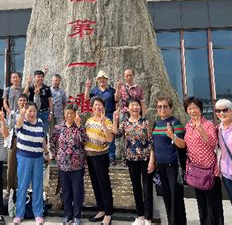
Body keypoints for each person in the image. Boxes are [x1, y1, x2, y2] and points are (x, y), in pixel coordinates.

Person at [180, 97, 224, 225]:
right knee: (201, 203)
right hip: (196, 171)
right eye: (189, 108)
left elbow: (213, 143)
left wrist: (201, 129)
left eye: (195, 108)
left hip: (210, 171)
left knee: (213, 203)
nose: (192, 111)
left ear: (200, 109)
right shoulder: (188, 126)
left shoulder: (208, 124)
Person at [112, 99, 155, 225]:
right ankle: (140, 216)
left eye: (136, 105)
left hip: (145, 159)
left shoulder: (146, 122)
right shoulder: (125, 123)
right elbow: (116, 134)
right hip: (131, 159)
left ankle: (148, 218)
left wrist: (152, 160)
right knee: (136, 188)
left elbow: (151, 142)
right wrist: (115, 119)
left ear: (140, 107)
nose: (135, 107)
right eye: (132, 105)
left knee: (147, 189)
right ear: (128, 108)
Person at [152, 96, 187, 225]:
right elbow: (153, 144)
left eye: (165, 106)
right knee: (167, 197)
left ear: (170, 108)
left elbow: (182, 144)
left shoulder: (175, 123)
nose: (162, 109)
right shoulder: (156, 123)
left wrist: (173, 136)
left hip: (173, 166)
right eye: (160, 107)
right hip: (161, 166)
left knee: (175, 198)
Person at [50, 105, 87, 225]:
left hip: (77, 164)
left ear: (75, 114)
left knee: (77, 191)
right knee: (66, 191)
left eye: (72, 113)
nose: (69, 115)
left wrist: (80, 126)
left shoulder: (79, 128)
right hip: (63, 164)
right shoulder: (58, 127)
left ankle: (77, 216)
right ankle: (67, 215)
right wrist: (56, 154)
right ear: (64, 114)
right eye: (68, 113)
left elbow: (85, 141)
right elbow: (52, 141)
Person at [13, 101, 49, 224]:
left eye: (34, 111)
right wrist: (22, 114)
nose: (32, 113)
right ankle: (19, 214)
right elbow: (18, 125)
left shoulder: (40, 122)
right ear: (25, 111)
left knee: (38, 186)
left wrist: (47, 153)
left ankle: (38, 214)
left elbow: (43, 139)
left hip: (38, 157)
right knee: (23, 185)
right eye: (30, 111)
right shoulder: (21, 121)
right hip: (24, 157)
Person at [85, 96, 114, 225]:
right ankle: (101, 209)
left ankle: (108, 213)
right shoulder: (89, 121)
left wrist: (103, 124)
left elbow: (110, 139)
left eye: (100, 105)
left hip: (101, 155)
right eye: (95, 105)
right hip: (89, 155)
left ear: (103, 107)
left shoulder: (107, 121)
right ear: (92, 107)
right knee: (95, 183)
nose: (97, 107)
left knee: (104, 184)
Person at [84, 70, 116, 165]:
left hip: (109, 114)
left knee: (110, 135)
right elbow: (86, 98)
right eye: (100, 79)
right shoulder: (94, 90)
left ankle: (111, 156)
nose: (102, 80)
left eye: (104, 78)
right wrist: (87, 87)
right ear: (97, 80)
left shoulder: (111, 90)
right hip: (97, 115)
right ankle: (99, 153)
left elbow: (116, 100)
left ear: (107, 80)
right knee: (97, 134)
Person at [6, 93, 27, 193]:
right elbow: (10, 127)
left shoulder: (29, 113)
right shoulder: (13, 113)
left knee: (24, 167)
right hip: (14, 140)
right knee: (11, 166)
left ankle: (23, 189)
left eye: (24, 100)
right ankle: (10, 189)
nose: (22, 102)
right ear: (17, 102)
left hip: (26, 142)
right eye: (20, 101)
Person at [24, 70, 53, 135]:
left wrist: (50, 112)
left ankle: (43, 144)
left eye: (42, 76)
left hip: (45, 113)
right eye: (38, 76)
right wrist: (28, 84)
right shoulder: (31, 87)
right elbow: (24, 95)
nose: (40, 78)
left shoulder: (46, 88)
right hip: (33, 113)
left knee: (44, 131)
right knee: (33, 130)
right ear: (34, 78)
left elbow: (50, 100)